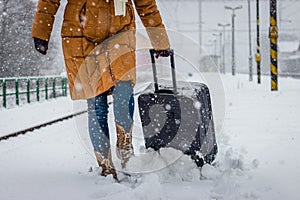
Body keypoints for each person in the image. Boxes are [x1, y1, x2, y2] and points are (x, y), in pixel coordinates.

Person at [32, 0, 171, 180]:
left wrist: (160, 41)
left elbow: (146, 4)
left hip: (121, 31)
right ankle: (104, 164)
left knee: (124, 88)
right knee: (96, 102)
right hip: (81, 35)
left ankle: (125, 147)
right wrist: (41, 32)